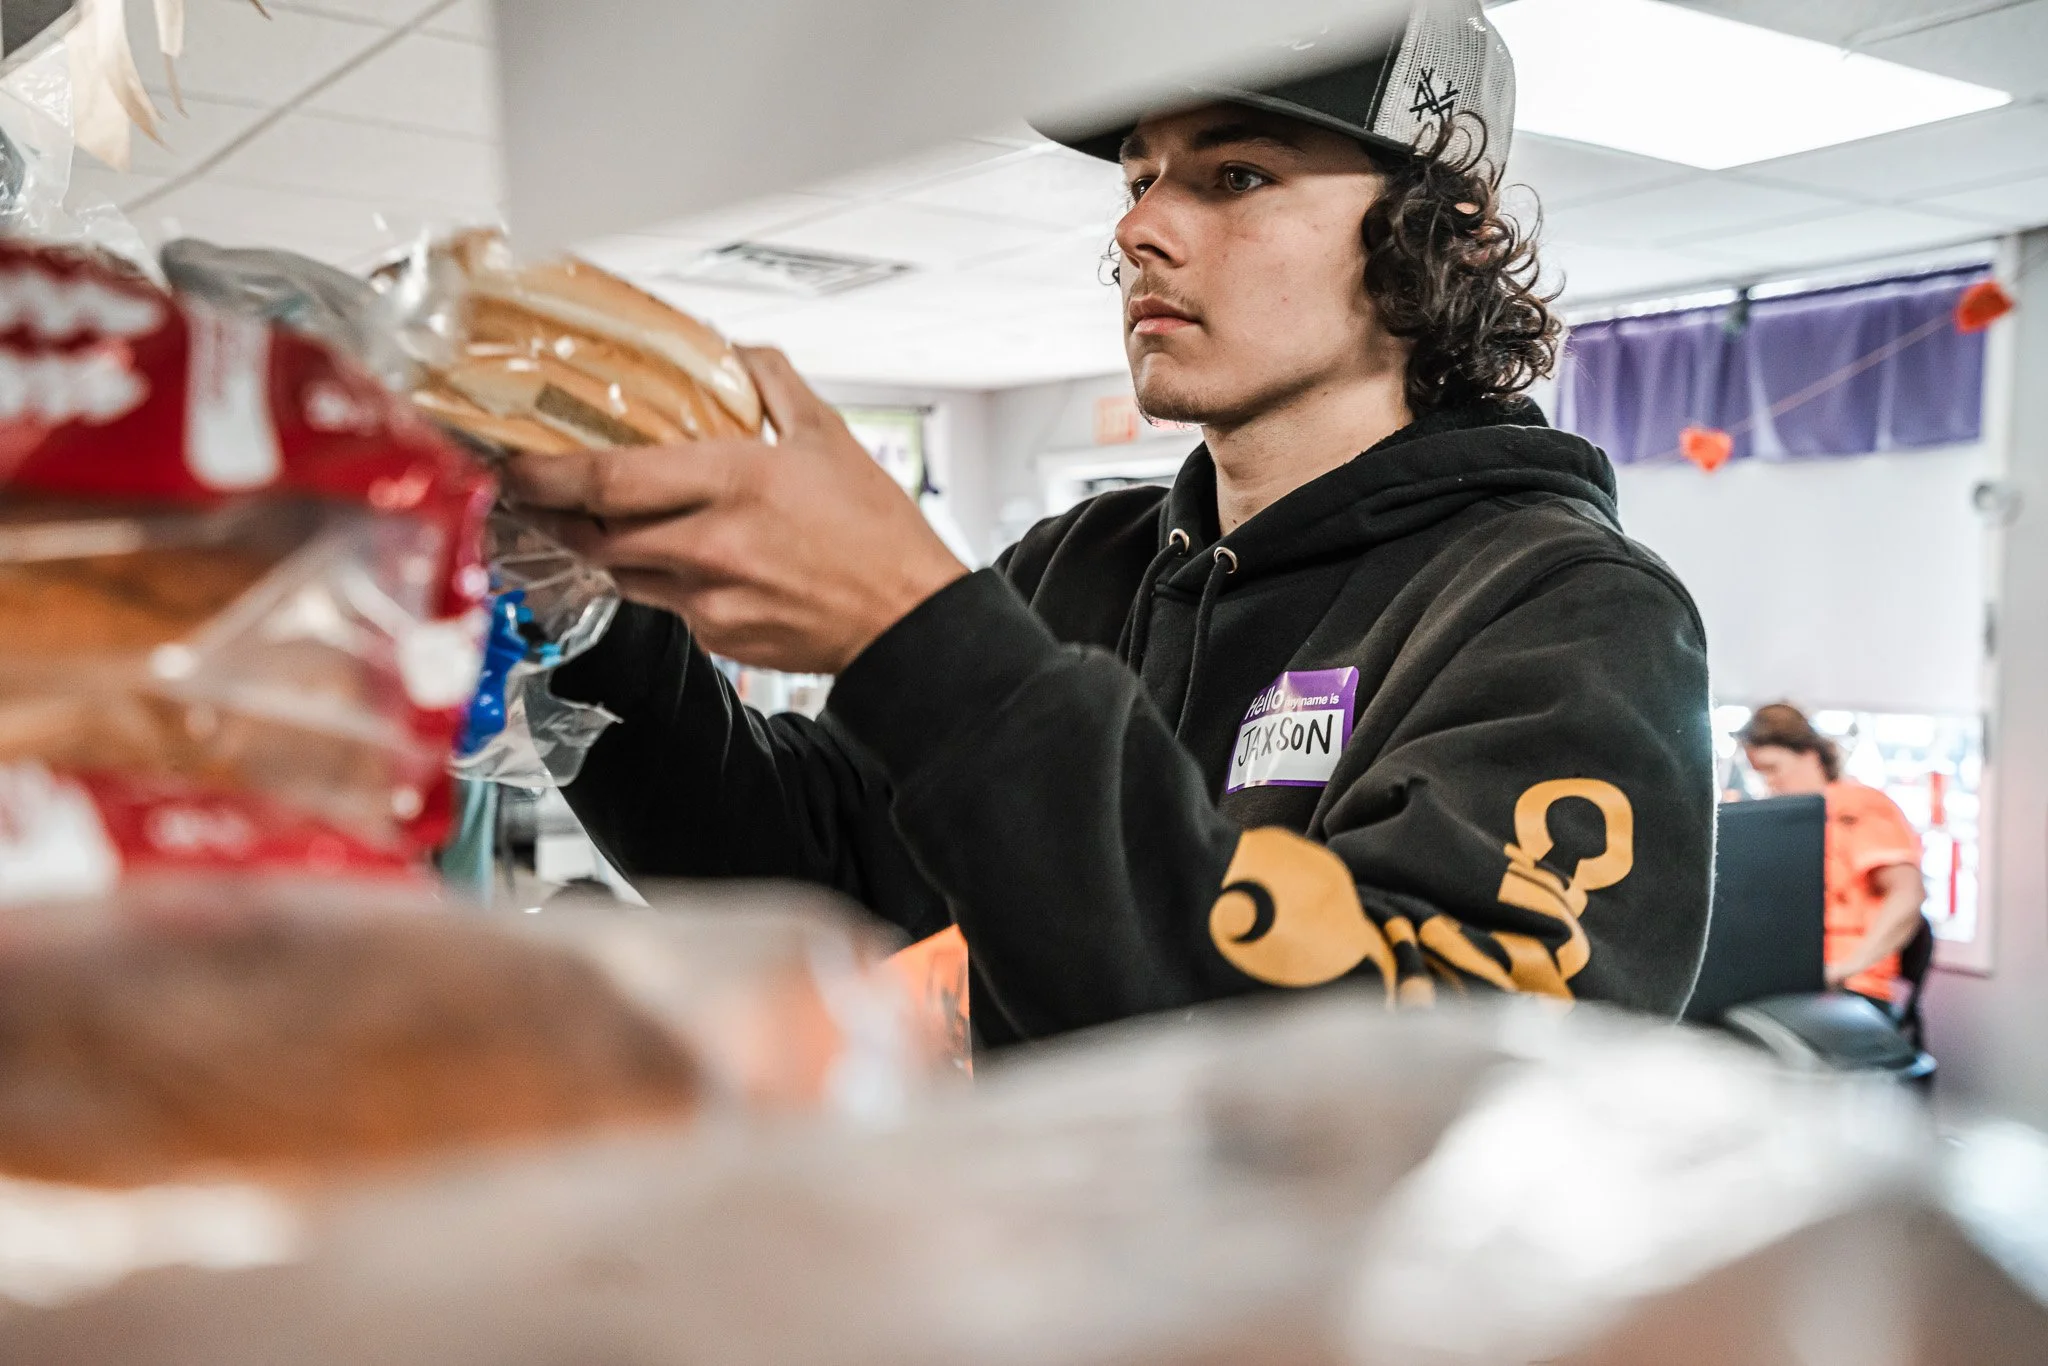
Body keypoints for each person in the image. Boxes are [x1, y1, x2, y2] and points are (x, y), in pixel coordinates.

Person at [505, 0, 1715, 1048]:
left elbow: (1410, 1078)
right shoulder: (1080, 564)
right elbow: (796, 860)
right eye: (1139, 178)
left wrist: (920, 633)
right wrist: (589, 614)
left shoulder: (1566, 611)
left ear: (1426, 235)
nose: (1139, 230)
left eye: (1234, 175)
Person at [1738, 703, 1928, 1005]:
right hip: (1787, 981)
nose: (1769, 783)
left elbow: (1908, 894)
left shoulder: (1858, 805)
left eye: (1774, 769)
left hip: (1849, 985)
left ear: (1810, 756)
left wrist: (1846, 968)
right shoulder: (1780, 825)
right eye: (1760, 774)